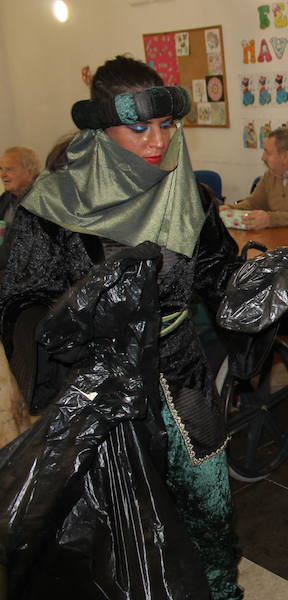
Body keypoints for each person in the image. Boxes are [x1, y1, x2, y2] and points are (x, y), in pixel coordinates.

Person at [0, 55, 244, 599]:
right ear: (103, 133)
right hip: (103, 390)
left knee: (208, 499)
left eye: (165, 125)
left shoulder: (188, 193)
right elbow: (21, 305)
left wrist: (253, 283)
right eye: (138, 129)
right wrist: (75, 326)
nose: (156, 141)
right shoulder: (51, 206)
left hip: (183, 373)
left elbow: (214, 268)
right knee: (128, 533)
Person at [0, 146, 40, 273]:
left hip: (29, 280)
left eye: (9, 169)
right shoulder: (5, 199)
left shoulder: (43, 202)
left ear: (29, 171)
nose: (2, 175)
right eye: (1, 169)